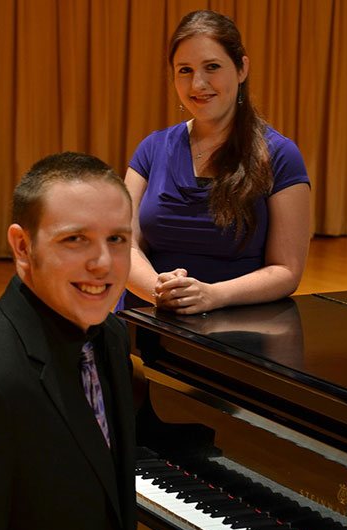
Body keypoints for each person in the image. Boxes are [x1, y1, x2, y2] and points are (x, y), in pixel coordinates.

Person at [0, 152, 136, 530]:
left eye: (117, 239)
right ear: (23, 246)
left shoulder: (110, 335)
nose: (103, 263)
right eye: (76, 239)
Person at [116, 9, 310, 315]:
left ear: (242, 68)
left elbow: (286, 270)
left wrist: (211, 295)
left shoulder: (281, 155)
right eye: (185, 70)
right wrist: (160, 291)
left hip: (235, 330)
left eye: (212, 67)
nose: (198, 84)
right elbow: (122, 244)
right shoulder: (151, 148)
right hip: (145, 319)